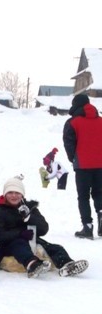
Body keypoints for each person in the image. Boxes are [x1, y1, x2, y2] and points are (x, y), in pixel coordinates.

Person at [0, 176, 88, 278]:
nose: (14, 196)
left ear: (22, 194)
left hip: (32, 242)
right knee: (19, 245)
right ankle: (32, 265)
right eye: (10, 193)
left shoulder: (30, 208)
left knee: (54, 248)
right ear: (5, 194)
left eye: (17, 193)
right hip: (10, 246)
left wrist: (29, 217)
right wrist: (20, 233)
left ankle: (67, 265)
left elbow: (44, 229)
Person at [63, 93, 102, 239]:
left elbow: (69, 143)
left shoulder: (72, 122)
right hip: (101, 165)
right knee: (99, 193)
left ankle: (87, 227)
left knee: (83, 197)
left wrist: (73, 158)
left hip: (82, 165)